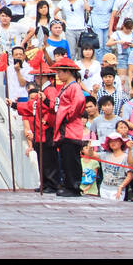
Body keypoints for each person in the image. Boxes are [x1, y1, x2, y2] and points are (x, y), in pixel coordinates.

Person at [52, 57, 87, 196]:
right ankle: (68, 185)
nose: (58, 75)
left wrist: (68, 116)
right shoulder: (68, 86)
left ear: (68, 72)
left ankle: (73, 186)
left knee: (71, 159)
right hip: (65, 127)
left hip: (70, 127)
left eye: (60, 72)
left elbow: (79, 101)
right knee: (66, 158)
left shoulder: (74, 86)